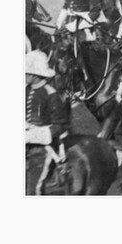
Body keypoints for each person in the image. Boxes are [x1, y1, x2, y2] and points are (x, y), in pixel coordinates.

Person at [25, 49, 71, 194]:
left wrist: (34, 135)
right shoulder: (26, 89)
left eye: (27, 73)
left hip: (43, 148)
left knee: (31, 190)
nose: (24, 75)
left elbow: (61, 125)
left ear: (35, 75)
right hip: (26, 140)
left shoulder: (50, 94)